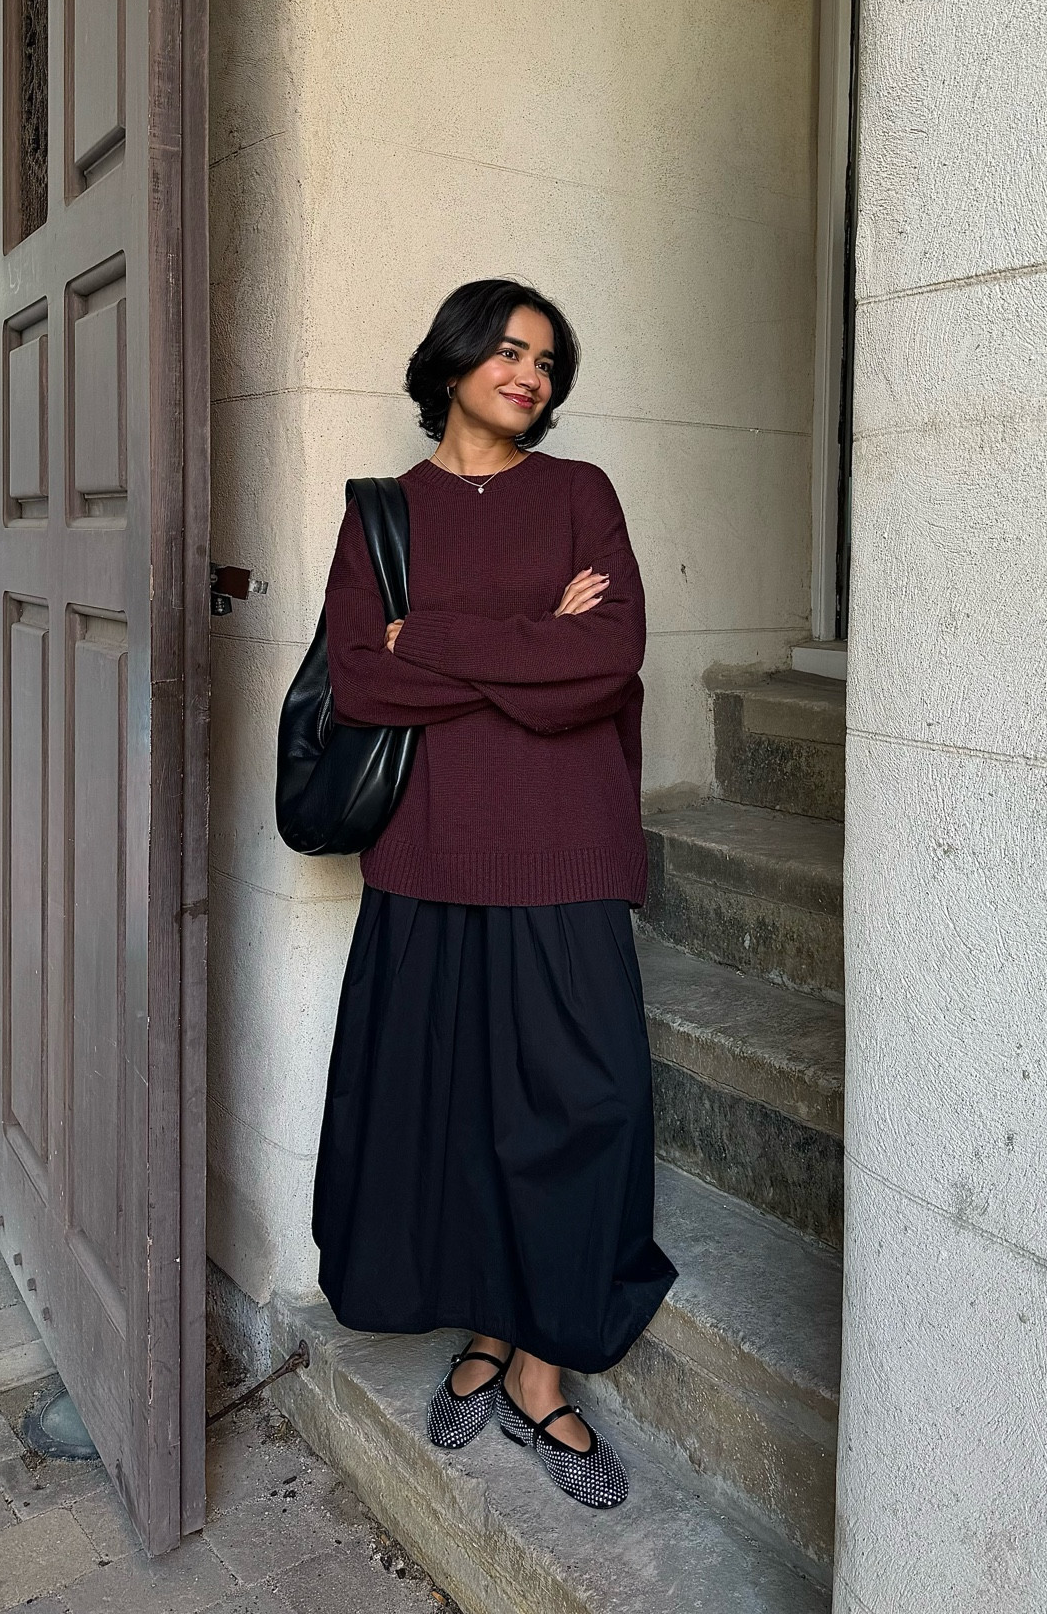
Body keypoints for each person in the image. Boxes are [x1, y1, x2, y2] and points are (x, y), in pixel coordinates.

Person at [311, 276, 676, 1510]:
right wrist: (525, 637)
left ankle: (541, 1366)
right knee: (453, 1107)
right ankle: (485, 1326)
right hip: (428, 853)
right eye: (511, 350)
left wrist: (431, 635)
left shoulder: (581, 495)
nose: (531, 374)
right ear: (455, 359)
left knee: (584, 1104)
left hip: (566, 851)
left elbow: (602, 662)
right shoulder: (384, 514)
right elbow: (360, 679)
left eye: (549, 361)